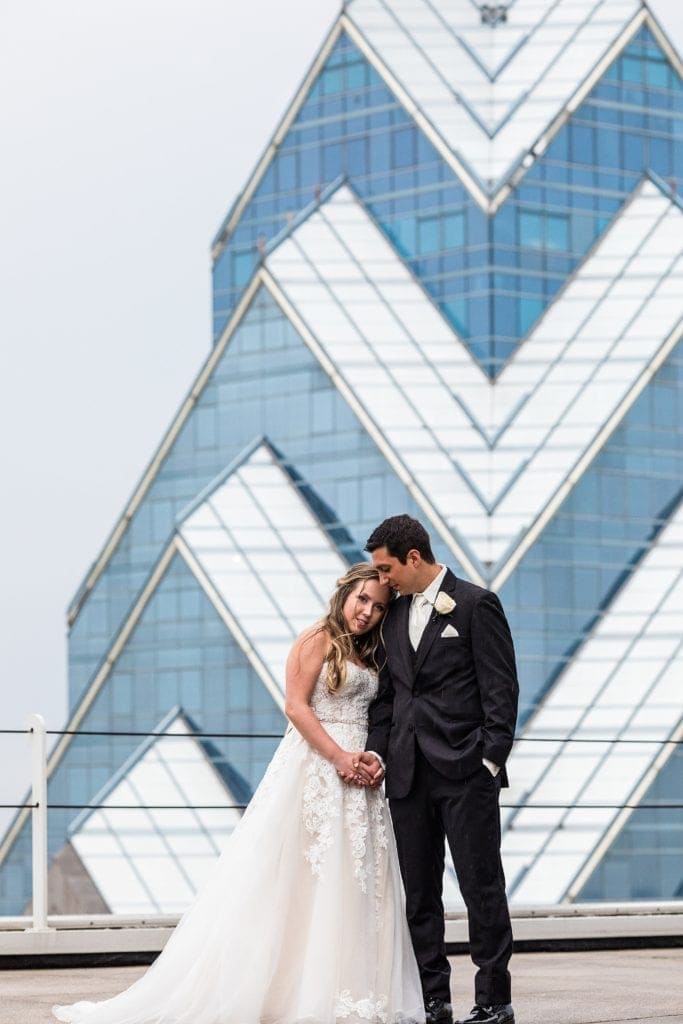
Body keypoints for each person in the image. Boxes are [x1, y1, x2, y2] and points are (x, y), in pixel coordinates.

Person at [53, 563, 425, 1024]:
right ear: (344, 593)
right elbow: (296, 706)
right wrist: (338, 758)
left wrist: (369, 758)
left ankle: (345, 989)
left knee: (354, 882)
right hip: (316, 771)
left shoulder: (374, 653)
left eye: (378, 606)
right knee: (301, 879)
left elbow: (380, 715)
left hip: (360, 782)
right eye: (361, 599)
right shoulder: (316, 640)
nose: (367, 612)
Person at [359, 516, 519, 1024]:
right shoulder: (392, 616)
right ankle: (435, 1001)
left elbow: (502, 690)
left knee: (481, 885)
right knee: (420, 895)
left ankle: (494, 1001)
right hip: (405, 776)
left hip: (465, 773)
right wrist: (378, 753)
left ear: (413, 557)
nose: (381, 580)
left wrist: (489, 759)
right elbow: (386, 699)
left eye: (386, 569)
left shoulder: (475, 604)